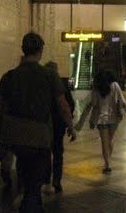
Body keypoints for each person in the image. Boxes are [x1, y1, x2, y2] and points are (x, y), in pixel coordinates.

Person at [0, 32, 77, 212]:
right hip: (39, 137)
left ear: (23, 50)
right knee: (35, 183)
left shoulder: (9, 76)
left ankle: (28, 200)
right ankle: (31, 204)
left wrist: (0, 141)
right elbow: (63, 105)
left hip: (15, 137)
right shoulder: (49, 75)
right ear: (40, 51)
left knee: (24, 173)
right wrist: (71, 127)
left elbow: (2, 109)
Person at [87, 69, 126, 173]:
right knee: (110, 140)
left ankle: (107, 164)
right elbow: (122, 100)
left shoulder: (96, 87)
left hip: (101, 120)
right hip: (114, 118)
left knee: (104, 142)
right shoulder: (115, 85)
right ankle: (107, 161)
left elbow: (93, 104)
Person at [43, 61, 76, 193]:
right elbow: (68, 106)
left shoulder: (41, 85)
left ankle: (46, 180)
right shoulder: (61, 85)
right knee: (57, 153)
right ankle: (57, 181)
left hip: (43, 125)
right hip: (58, 125)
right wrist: (70, 126)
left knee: (45, 153)